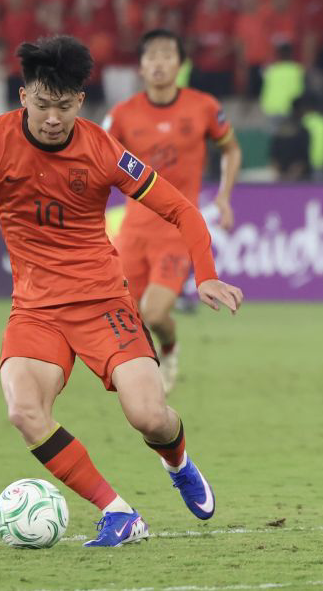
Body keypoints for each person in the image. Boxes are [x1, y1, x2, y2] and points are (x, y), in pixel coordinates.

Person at [0, 35, 243, 547]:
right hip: (36, 310)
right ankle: (119, 512)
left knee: (149, 417)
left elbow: (182, 209)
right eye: (43, 104)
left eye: (64, 107)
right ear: (23, 96)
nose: (52, 118)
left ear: (80, 102)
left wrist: (206, 275)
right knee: (24, 411)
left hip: (103, 303)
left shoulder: (102, 149)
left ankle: (177, 463)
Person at [103, 29, 241, 393]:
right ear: (140, 66)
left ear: (180, 64)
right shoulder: (122, 114)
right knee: (128, 315)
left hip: (176, 230)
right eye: (151, 56)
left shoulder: (204, 107)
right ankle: (146, 370)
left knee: (154, 312)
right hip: (133, 230)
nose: (159, 63)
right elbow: (96, 159)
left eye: (167, 56)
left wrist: (224, 196)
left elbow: (231, 149)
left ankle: (169, 349)